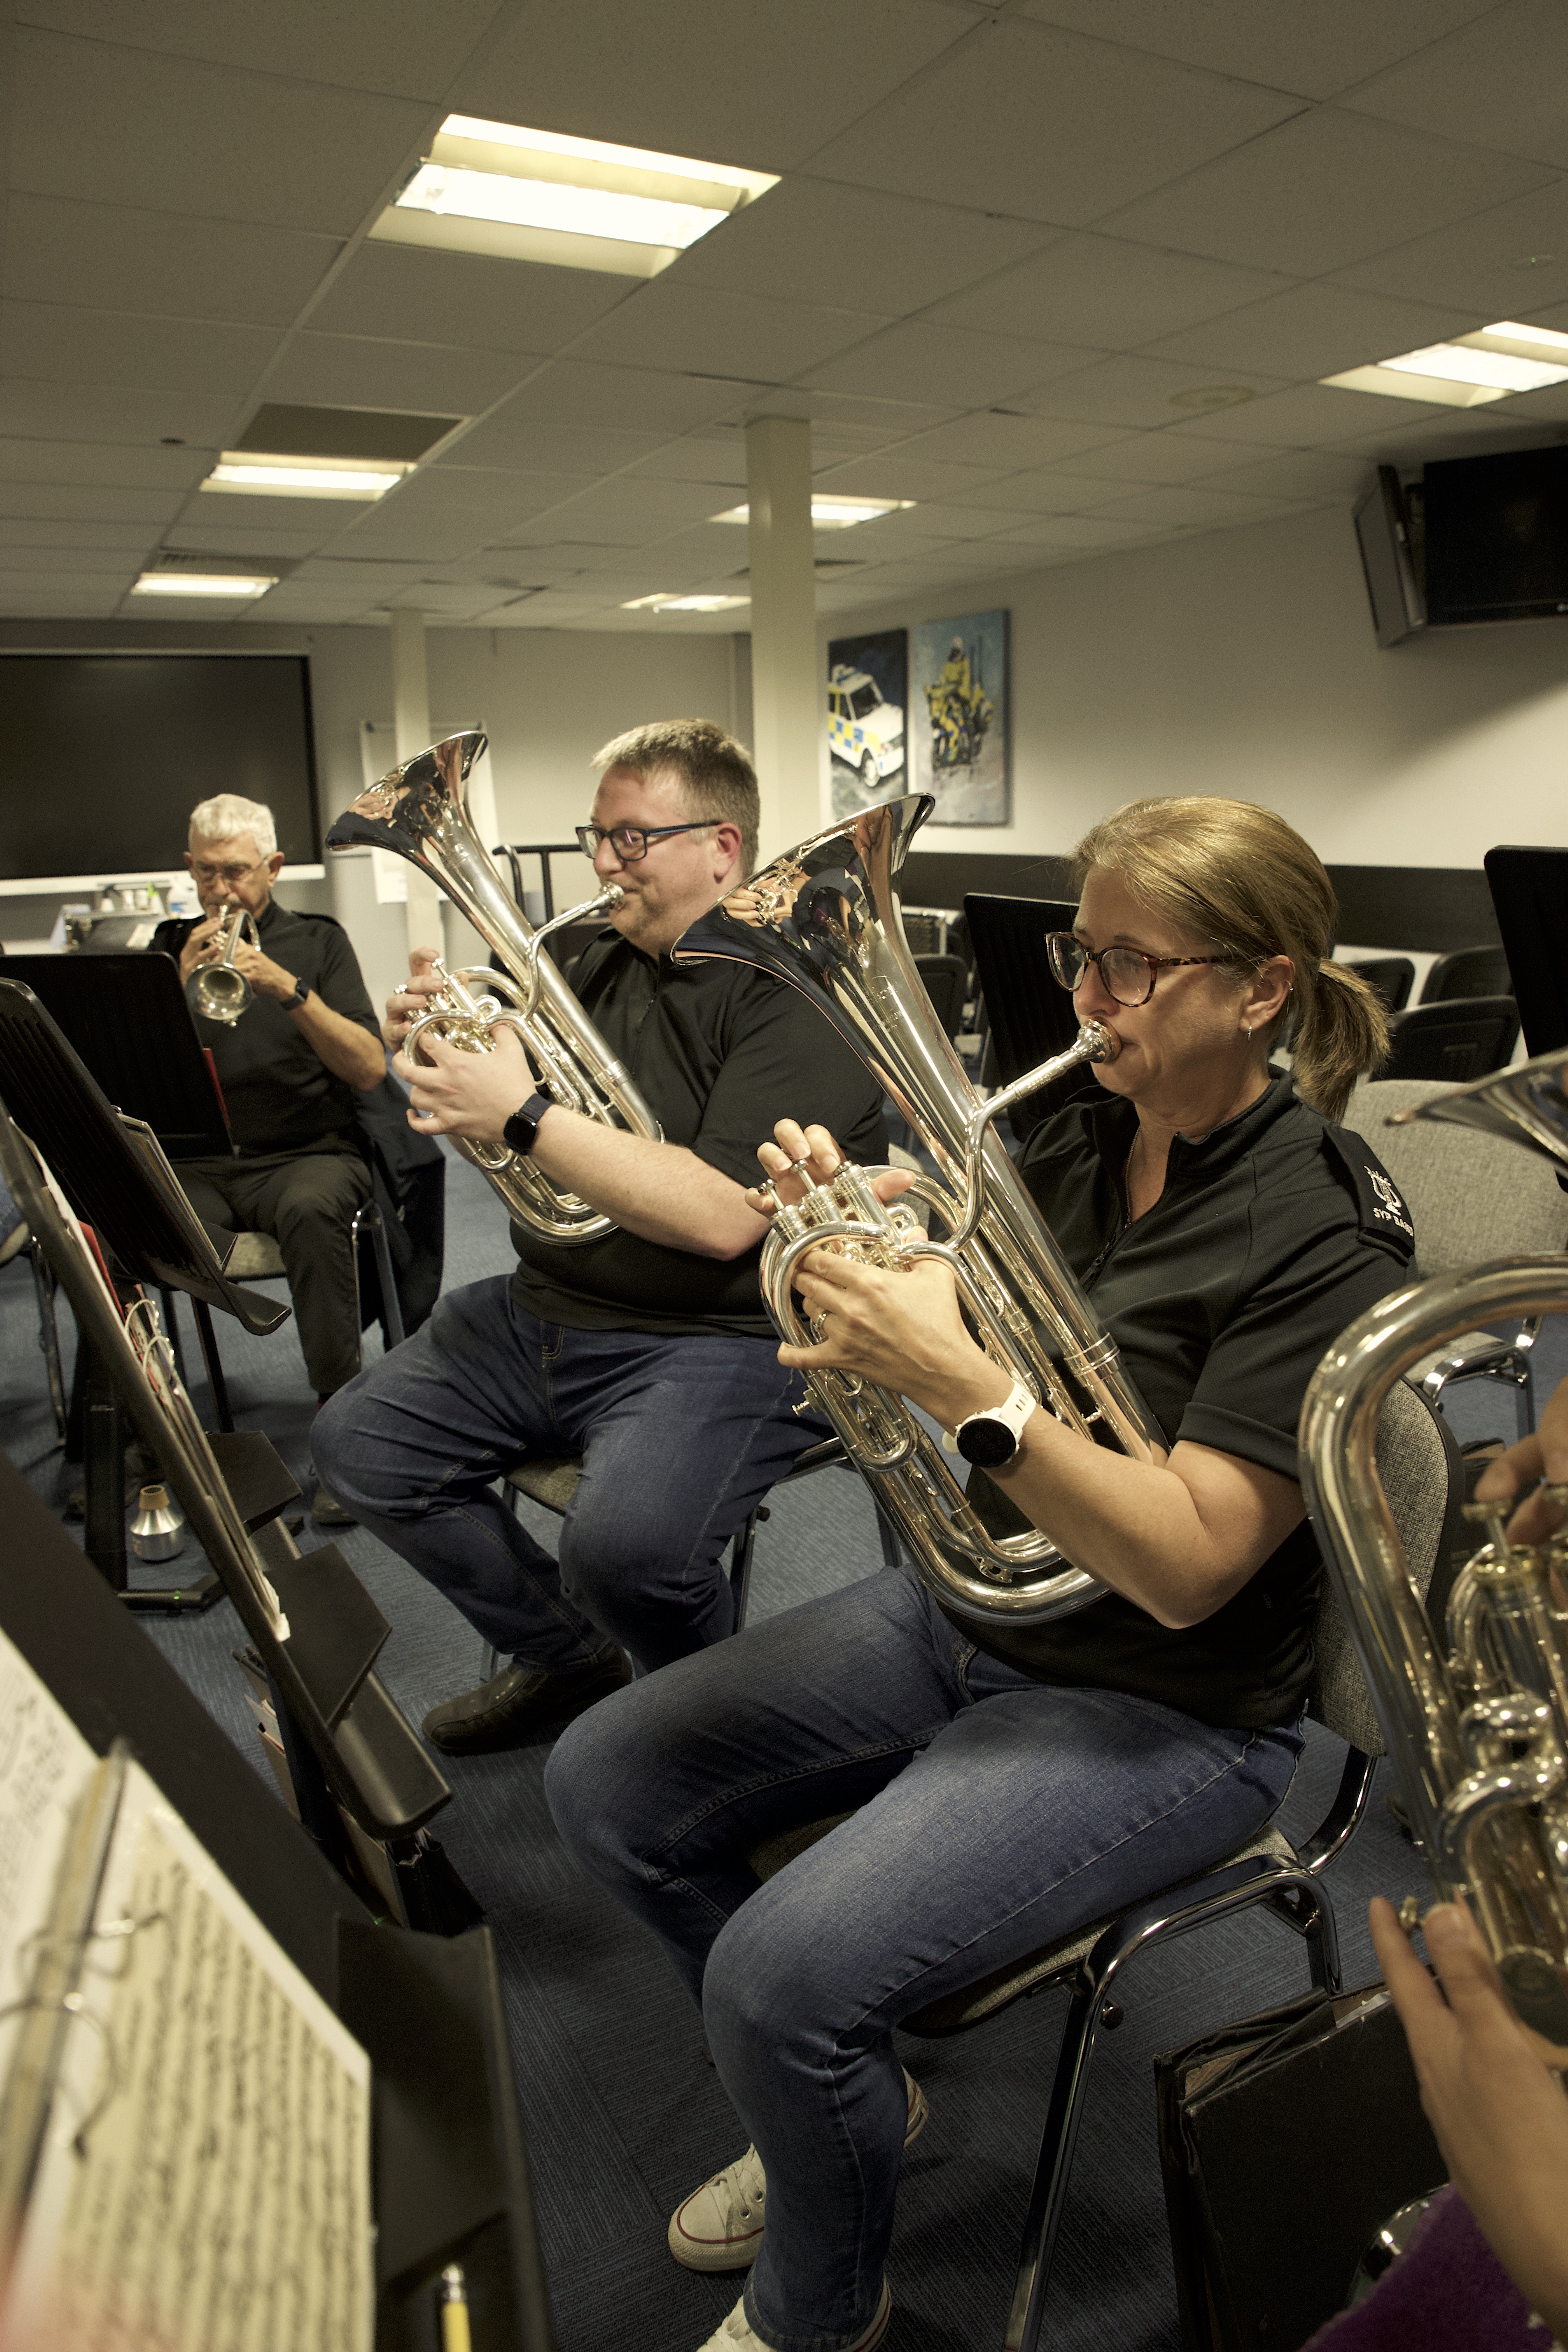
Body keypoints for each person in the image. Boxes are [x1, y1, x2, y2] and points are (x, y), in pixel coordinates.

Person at [546, 794, 1415, 2352]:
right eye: (1082, 959)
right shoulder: (1081, 1130)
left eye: (1129, 969)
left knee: (771, 1982)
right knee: (603, 1779)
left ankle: (818, 2300)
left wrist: (965, 1388)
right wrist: (870, 1240)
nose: (1084, 1004)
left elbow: (1194, 1569)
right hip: (984, 1615)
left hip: (1172, 1707)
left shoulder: (1324, 1230)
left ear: (1262, 987)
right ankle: (839, 2105)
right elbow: (995, 1328)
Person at [312, 719, 884, 1752]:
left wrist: (523, 1114)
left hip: (727, 1337)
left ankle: (714, 1746)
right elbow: (505, 1116)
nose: (603, 863)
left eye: (632, 839)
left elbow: (721, 1217)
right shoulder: (576, 951)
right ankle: (570, 1659)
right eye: (598, 836)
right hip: (550, 1307)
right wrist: (437, 1049)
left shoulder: (796, 990)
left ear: (723, 848)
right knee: (359, 1447)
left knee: (627, 1557)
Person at [149, 794, 386, 1510]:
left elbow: (370, 1067)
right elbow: (125, 1073)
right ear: (189, 869)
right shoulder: (168, 945)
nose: (221, 892)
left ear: (274, 869)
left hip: (307, 1151)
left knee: (315, 1210)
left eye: (237, 873)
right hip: (202, 1160)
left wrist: (288, 989)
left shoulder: (319, 942)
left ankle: (338, 1420)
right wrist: (170, 989)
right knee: (132, 1214)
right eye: (207, 874)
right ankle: (152, 1427)